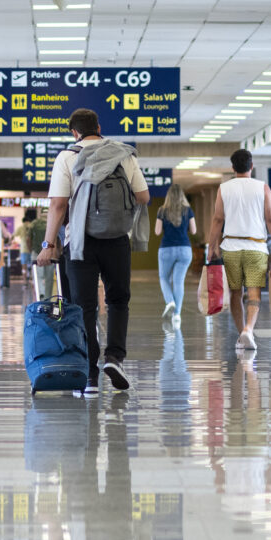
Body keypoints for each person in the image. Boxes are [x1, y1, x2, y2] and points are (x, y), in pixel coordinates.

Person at [35, 108, 146, 393]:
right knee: (118, 301)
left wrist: (48, 245)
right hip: (118, 239)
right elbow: (143, 196)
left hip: (80, 242)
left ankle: (90, 375)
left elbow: (58, 205)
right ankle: (115, 358)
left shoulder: (67, 157)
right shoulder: (124, 154)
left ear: (74, 132)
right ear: (99, 127)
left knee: (84, 306)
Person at [206, 148, 271, 352]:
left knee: (235, 294)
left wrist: (211, 247)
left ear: (233, 168)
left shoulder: (224, 188)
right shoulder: (262, 187)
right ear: (252, 166)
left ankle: (243, 334)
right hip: (256, 247)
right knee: (254, 293)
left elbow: (217, 219)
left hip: (230, 247)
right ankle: (248, 329)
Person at [154, 183, 195, 322]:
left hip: (167, 249)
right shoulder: (187, 210)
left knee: (164, 278)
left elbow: (157, 231)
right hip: (185, 249)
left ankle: (170, 301)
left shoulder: (162, 210)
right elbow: (194, 230)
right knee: (179, 281)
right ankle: (177, 314)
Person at [22, 205, 52, 298]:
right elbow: (57, 240)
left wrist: (31, 250)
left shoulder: (34, 223)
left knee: (38, 276)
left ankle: (40, 293)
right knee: (49, 277)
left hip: (36, 252)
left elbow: (28, 239)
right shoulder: (52, 223)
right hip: (50, 253)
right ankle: (48, 296)